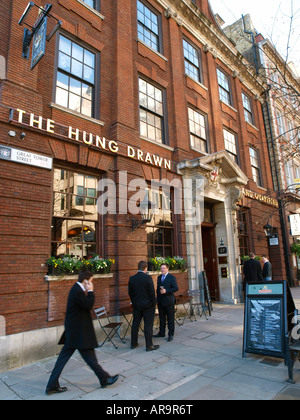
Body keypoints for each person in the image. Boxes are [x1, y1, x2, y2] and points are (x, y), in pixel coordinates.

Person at [45, 271, 119, 395]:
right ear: (85, 281)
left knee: (65, 359)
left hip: (75, 333)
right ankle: (104, 379)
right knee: (90, 359)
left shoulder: (76, 290)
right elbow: (88, 304)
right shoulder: (77, 291)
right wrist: (90, 291)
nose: (91, 284)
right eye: (90, 281)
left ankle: (52, 385)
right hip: (78, 334)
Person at [128, 261, 159, 352]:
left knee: (135, 324)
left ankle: (133, 343)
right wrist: (153, 304)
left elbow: (130, 293)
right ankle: (149, 345)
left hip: (137, 305)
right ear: (145, 268)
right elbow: (152, 293)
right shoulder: (148, 278)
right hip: (148, 306)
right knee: (148, 326)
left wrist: (134, 302)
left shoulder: (132, 278)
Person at [154, 263, 178, 342]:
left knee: (170, 318)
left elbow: (175, 288)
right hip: (161, 301)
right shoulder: (159, 277)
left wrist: (166, 291)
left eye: (163, 268)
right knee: (162, 318)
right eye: (161, 268)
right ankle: (161, 332)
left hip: (169, 301)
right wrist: (157, 298)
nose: (162, 270)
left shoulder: (172, 278)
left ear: (167, 269)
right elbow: (158, 288)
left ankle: (170, 334)